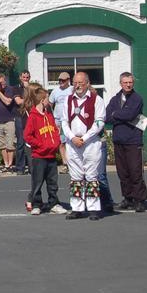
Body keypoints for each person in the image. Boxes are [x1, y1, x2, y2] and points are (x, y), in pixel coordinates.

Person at [63, 72, 106, 221]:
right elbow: (64, 122)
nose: (78, 85)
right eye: (75, 82)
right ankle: (77, 208)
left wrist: (85, 138)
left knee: (91, 175)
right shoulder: (68, 100)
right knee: (75, 177)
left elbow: (100, 122)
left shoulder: (97, 99)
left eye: (81, 82)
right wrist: (72, 137)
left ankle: (93, 208)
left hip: (91, 143)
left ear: (87, 83)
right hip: (73, 143)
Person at [22, 84, 67, 215]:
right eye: (47, 98)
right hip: (39, 156)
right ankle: (37, 204)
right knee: (37, 182)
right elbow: (27, 136)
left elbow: (54, 131)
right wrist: (40, 145)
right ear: (42, 100)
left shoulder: (49, 115)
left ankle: (54, 203)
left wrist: (56, 141)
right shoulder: (33, 116)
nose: (49, 100)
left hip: (51, 155)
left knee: (53, 182)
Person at [106, 72, 147, 212]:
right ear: (121, 83)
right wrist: (118, 115)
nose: (128, 85)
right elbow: (107, 117)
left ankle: (139, 200)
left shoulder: (137, 99)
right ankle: (127, 198)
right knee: (122, 172)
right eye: (125, 82)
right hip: (119, 139)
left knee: (135, 171)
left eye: (130, 82)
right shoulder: (115, 99)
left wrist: (116, 114)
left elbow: (130, 115)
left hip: (133, 140)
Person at [48, 72, 72, 170]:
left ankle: (71, 163)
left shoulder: (72, 90)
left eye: (63, 80)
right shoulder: (55, 91)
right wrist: (51, 118)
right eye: (60, 80)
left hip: (69, 120)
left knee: (69, 142)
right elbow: (50, 104)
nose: (61, 82)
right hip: (58, 120)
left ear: (68, 80)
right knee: (61, 142)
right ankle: (65, 163)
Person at [14, 70, 31, 174]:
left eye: (27, 77)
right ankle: (20, 168)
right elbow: (18, 101)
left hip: (30, 117)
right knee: (20, 143)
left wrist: (28, 89)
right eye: (24, 77)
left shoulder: (31, 88)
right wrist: (28, 98)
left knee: (30, 143)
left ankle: (31, 167)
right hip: (20, 117)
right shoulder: (16, 88)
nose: (25, 79)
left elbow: (36, 99)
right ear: (20, 78)